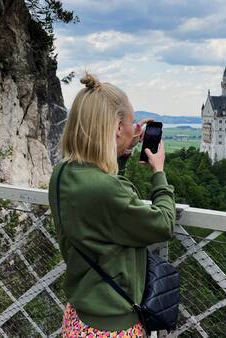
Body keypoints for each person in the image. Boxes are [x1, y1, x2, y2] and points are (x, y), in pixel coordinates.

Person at [48, 73, 176, 337]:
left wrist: (123, 151)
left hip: (79, 317)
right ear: (118, 128)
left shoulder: (62, 173)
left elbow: (104, 196)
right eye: (130, 122)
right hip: (113, 325)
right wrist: (159, 174)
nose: (133, 128)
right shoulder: (107, 190)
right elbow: (163, 224)